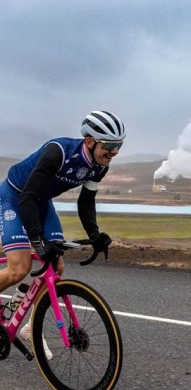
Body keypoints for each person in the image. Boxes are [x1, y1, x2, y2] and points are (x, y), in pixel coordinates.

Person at [0, 110, 126, 355]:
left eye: (119, 146)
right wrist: (38, 241)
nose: (114, 153)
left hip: (40, 200)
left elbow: (86, 202)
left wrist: (95, 234)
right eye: (110, 146)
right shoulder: (58, 151)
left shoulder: (100, 166)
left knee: (55, 268)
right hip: (15, 198)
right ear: (90, 141)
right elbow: (27, 198)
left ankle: (30, 328)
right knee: (20, 268)